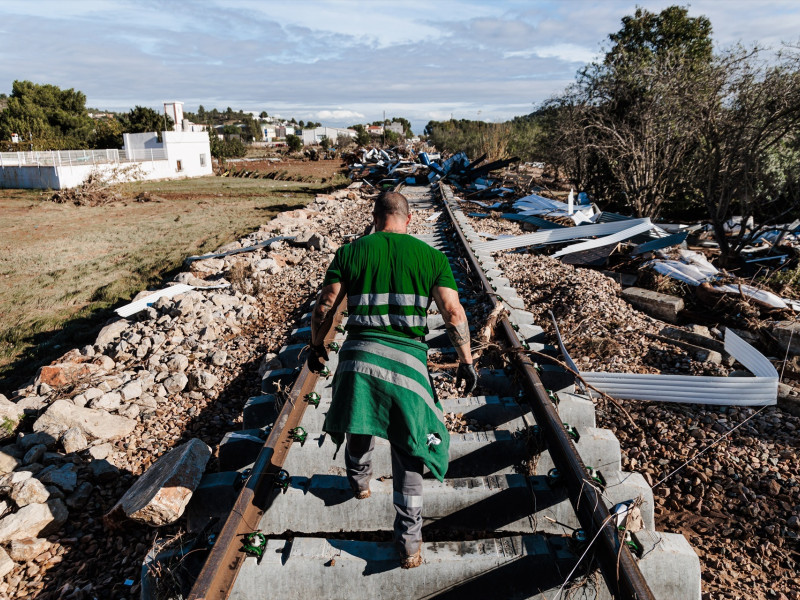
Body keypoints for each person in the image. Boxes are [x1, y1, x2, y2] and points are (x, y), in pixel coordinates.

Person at [309, 190, 478, 569]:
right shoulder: (432, 258)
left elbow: (325, 306)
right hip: (408, 365)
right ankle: (409, 544)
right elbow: (453, 312)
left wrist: (316, 345)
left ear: (375, 217)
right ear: (409, 220)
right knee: (410, 450)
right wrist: (466, 360)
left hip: (357, 358)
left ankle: (360, 482)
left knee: (360, 421)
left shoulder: (350, 253)